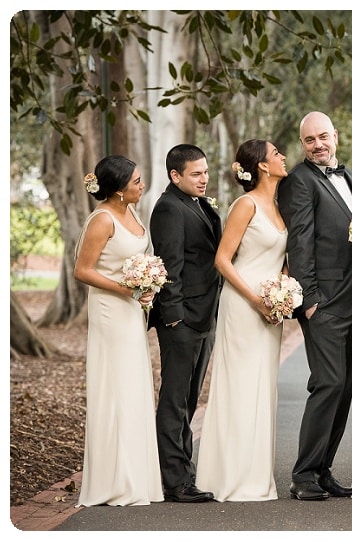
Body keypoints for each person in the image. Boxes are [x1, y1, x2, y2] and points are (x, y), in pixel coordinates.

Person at [277, 111, 352, 501]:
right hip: (325, 303)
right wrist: (310, 301)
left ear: (336, 135)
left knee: (345, 388)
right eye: (309, 139)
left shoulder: (350, 179)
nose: (318, 145)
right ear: (302, 144)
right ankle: (303, 474)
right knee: (328, 383)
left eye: (323, 137)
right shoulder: (298, 181)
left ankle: (324, 469)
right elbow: (300, 243)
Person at [195, 140, 289, 501]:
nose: (282, 157)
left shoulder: (278, 205)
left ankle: (256, 475)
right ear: (263, 166)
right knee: (240, 386)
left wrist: (282, 289)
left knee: (263, 387)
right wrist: (256, 299)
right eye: (276, 154)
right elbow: (222, 260)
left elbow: (280, 256)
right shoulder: (245, 204)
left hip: (271, 307)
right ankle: (230, 476)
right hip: (243, 305)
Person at [73, 155, 163, 506]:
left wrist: (148, 282)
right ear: (119, 188)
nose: (142, 185)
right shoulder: (103, 220)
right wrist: (125, 288)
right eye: (137, 181)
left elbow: (137, 258)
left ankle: (137, 475)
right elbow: (82, 270)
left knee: (133, 386)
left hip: (131, 310)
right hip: (111, 310)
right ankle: (115, 479)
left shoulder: (132, 212)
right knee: (116, 386)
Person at [149, 144, 222, 503]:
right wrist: (175, 317)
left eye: (205, 172)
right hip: (183, 320)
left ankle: (184, 472)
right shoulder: (168, 209)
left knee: (189, 399)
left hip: (204, 316)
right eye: (196, 173)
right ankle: (175, 481)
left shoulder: (198, 204)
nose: (203, 178)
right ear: (175, 176)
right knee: (175, 400)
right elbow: (169, 268)